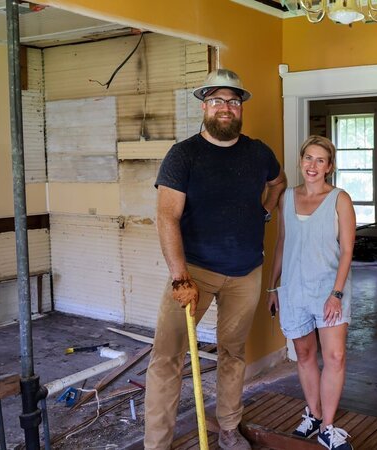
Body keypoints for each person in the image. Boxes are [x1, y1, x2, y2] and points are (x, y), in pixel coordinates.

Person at [145, 69, 287, 450]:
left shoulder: (258, 152)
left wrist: (266, 211)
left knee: (233, 354)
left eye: (233, 101)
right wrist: (179, 278)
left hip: (246, 273)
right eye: (218, 101)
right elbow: (166, 217)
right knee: (167, 358)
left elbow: (278, 182)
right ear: (204, 106)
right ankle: (156, 445)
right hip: (194, 274)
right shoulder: (184, 154)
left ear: (241, 109)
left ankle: (228, 428)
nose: (226, 108)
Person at [266, 135, 356, 450]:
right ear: (301, 162)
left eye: (320, 160)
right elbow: (281, 244)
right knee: (304, 355)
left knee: (334, 356)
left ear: (329, 166)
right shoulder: (286, 198)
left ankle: (328, 427)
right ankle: (314, 415)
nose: (312, 166)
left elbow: (347, 251)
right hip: (292, 290)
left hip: (328, 290)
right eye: (308, 159)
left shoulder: (340, 199)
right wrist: (272, 286)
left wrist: (336, 293)